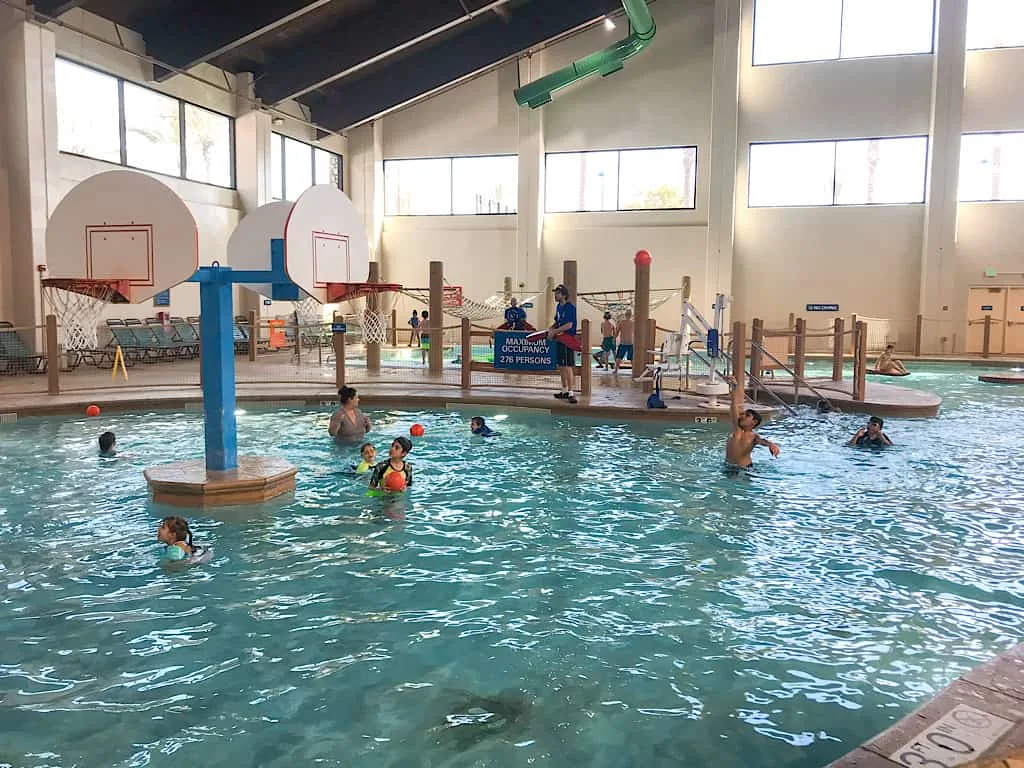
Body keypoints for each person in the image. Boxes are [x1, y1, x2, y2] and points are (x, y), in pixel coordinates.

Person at [725, 379, 780, 469]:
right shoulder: (737, 429)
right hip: (729, 467)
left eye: (747, 416)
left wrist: (771, 444)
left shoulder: (753, 437)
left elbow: (762, 441)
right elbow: (734, 408)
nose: (742, 416)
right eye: (743, 414)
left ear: (753, 422)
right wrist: (734, 389)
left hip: (745, 469)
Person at [548, 284, 579, 404]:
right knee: (561, 365)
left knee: (567, 366)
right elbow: (558, 321)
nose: (555, 295)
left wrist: (554, 331)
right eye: (555, 293)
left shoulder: (570, 307)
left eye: (558, 293)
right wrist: (550, 329)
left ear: (564, 295)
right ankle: (564, 390)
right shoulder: (558, 307)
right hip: (560, 338)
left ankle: (571, 392)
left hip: (567, 339)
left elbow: (569, 325)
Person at [615, 309, 635, 373]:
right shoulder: (633, 323)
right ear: (631, 315)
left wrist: (613, 339)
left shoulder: (621, 322)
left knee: (619, 357)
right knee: (632, 358)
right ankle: (634, 370)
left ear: (625, 315)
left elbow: (617, 332)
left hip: (623, 342)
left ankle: (616, 370)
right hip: (630, 342)